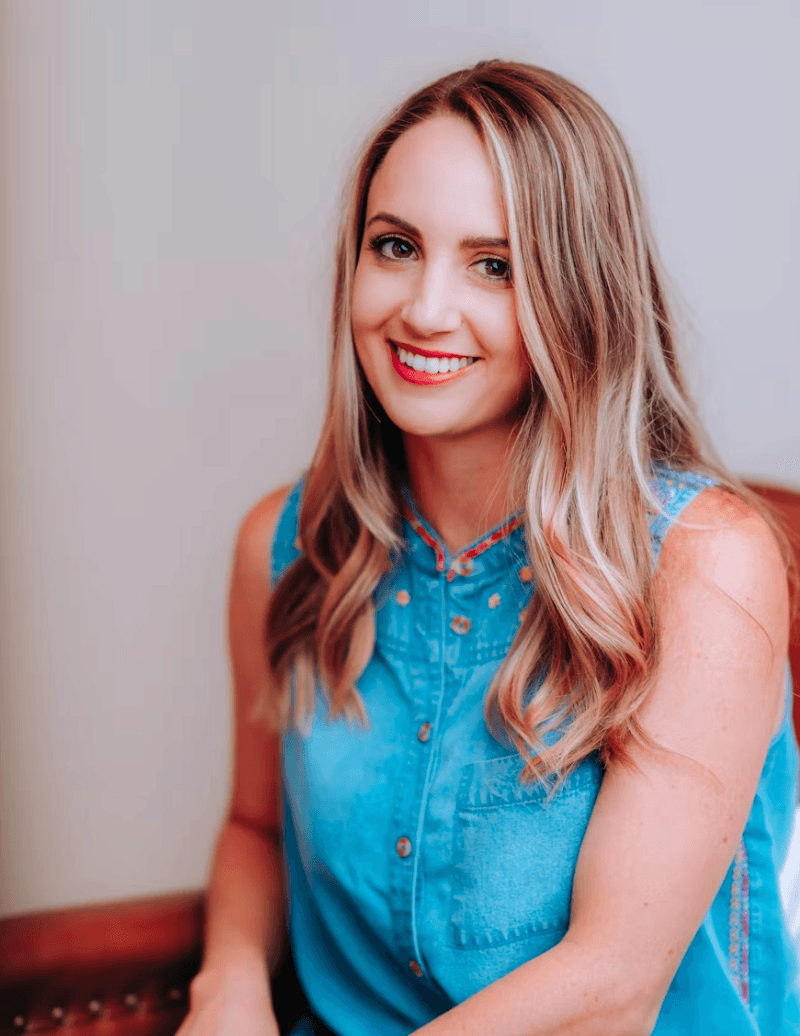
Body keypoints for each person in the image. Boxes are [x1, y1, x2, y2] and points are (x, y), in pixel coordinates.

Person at [177, 61, 800, 1035]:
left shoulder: (707, 563)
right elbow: (256, 828)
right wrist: (228, 985)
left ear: (578, 294)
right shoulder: (286, 547)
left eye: (493, 265)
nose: (423, 310)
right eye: (394, 247)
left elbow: (610, 988)